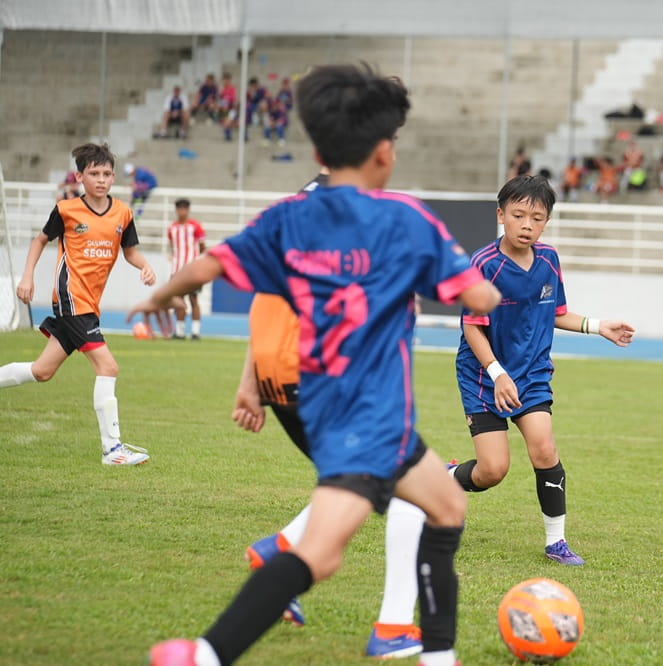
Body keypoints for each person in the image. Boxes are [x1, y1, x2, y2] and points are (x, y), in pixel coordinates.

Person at [140, 63, 501, 666]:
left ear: (316, 153)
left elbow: (209, 265)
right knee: (320, 554)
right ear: (384, 153)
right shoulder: (405, 219)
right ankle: (206, 653)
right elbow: (478, 297)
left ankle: (438, 655)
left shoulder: (289, 217)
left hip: (342, 411)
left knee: (446, 505)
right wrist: (481, 289)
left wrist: (159, 297)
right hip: (368, 421)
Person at [233, 168, 430, 657]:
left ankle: (279, 548)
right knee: (416, 495)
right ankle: (392, 627)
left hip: (279, 378)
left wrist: (250, 385)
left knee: (361, 483)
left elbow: (267, 299)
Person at [449, 174, 635, 567]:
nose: (527, 225)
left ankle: (556, 542)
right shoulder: (483, 264)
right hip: (484, 376)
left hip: (531, 375)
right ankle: (442, 480)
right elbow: (472, 327)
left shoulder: (549, 260)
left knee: (544, 447)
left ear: (546, 222)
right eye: (518, 215)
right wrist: (498, 374)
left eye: (536, 218)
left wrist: (598, 326)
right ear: (501, 215)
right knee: (493, 471)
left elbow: (557, 313)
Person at [0, 142, 156, 466]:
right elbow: (40, 240)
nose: (101, 179)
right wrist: (27, 277)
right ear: (80, 176)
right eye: (94, 173)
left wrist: (145, 266)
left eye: (107, 174)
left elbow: (129, 251)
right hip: (72, 299)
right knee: (108, 367)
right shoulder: (66, 210)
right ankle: (112, 450)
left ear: (114, 177)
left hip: (89, 304)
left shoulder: (123, 213)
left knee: (42, 371)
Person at [166, 199, 207, 340]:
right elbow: (173, 246)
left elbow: (202, 246)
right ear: (176, 210)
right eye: (179, 208)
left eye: (184, 208)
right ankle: (180, 331)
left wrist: (195, 260)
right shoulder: (172, 228)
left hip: (192, 270)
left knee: (193, 299)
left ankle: (195, 332)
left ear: (188, 210)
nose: (182, 211)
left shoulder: (195, 226)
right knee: (178, 300)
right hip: (177, 270)